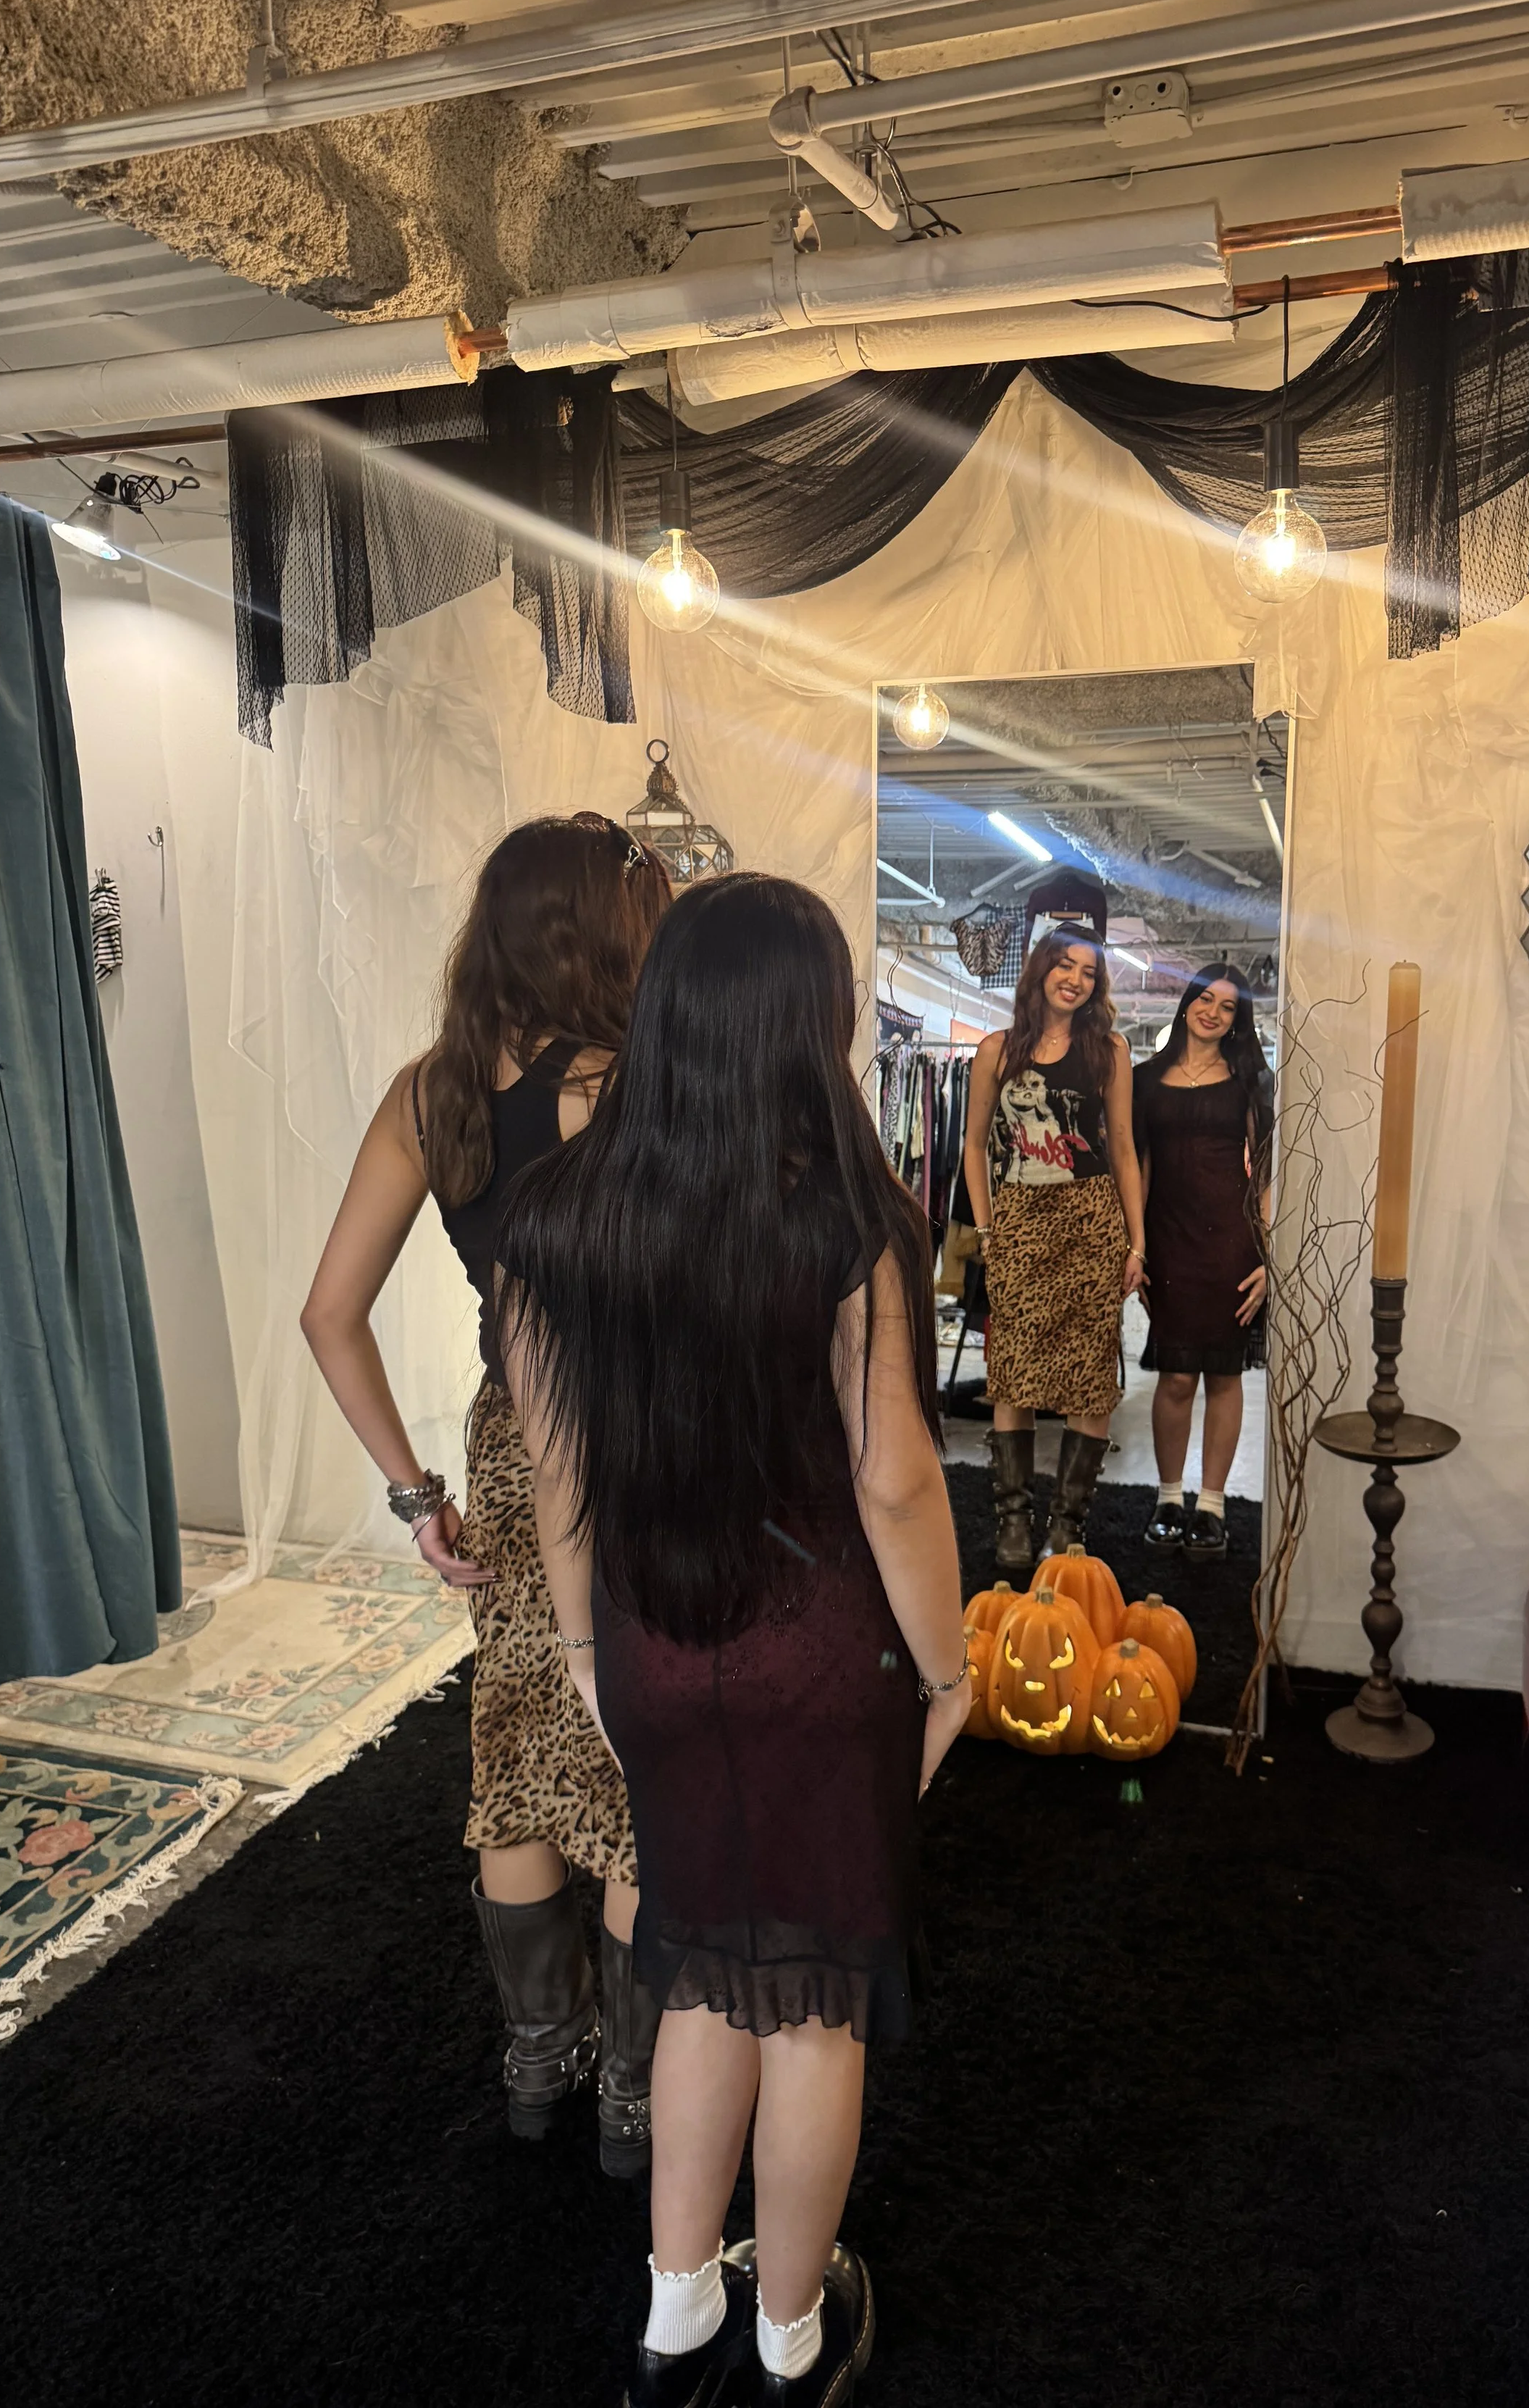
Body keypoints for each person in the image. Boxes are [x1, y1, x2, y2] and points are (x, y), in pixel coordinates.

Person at [500, 874, 968, 2408]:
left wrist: (584, 1651)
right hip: (820, 1658)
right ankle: (786, 2339)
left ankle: (673, 2316)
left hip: (649, 1648)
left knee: (698, 1970)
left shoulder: (559, 1218)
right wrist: (951, 1668)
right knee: (816, 2005)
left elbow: (552, 1463)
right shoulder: (843, 1215)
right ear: (805, 1025)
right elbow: (893, 1476)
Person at [300, 814, 671, 2162]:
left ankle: (538, 2061)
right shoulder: (643, 1080)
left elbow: (329, 1310)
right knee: (640, 1770)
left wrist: (415, 1493)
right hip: (656, 1446)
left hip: (516, 1448)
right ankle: (635, 2089)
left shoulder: (431, 1091)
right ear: (604, 927)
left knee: (516, 1757)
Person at [961, 923, 1147, 1572]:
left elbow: (1122, 1147)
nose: (1075, 979)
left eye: (1088, 972)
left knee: (1089, 1377)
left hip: (1091, 1220)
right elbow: (974, 1144)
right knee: (1011, 1369)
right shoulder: (996, 1050)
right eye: (1064, 966)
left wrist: (1137, 1242)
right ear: (1040, 970)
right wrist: (986, 1230)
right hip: (1018, 1219)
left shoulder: (1110, 1051)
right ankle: (1013, 1520)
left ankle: (1067, 1526)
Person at [1132, 965, 1272, 1561]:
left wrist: (1270, 1257)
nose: (1213, 1012)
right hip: (1167, 1239)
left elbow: (1264, 1173)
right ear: (1187, 1002)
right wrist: (1134, 1247)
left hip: (1230, 1246)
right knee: (1176, 1377)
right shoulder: (1144, 1080)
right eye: (1205, 999)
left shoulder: (1249, 1081)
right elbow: (1136, 1167)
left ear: (1239, 1019)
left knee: (1223, 1374)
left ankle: (1211, 1506)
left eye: (1229, 1006)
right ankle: (1168, 1497)